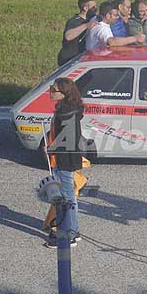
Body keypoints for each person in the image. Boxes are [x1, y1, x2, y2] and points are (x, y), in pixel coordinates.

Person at [44, 78, 86, 248]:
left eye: (54, 90)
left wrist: (51, 148)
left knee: (67, 199)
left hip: (64, 162)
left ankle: (68, 235)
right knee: (69, 198)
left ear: (64, 94)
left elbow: (67, 140)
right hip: (65, 160)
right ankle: (73, 231)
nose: (51, 92)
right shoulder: (69, 109)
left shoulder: (65, 114)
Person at [57, 0, 99, 66]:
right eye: (93, 7)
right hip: (69, 59)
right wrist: (86, 25)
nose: (96, 9)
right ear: (85, 8)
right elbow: (68, 36)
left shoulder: (91, 20)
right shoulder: (75, 21)